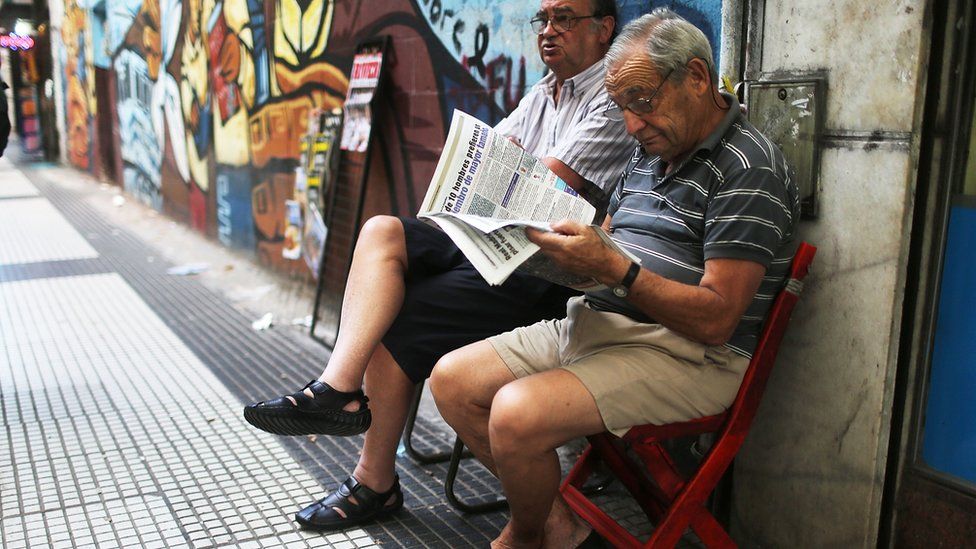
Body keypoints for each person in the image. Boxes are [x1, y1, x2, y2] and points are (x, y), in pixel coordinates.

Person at [242, 0, 635, 531]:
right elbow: (495, 167)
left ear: (603, 28)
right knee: (381, 231)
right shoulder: (544, 92)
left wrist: (508, 168)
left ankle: (373, 481)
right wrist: (504, 168)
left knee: (398, 313)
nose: (548, 32)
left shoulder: (610, 100)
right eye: (541, 20)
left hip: (545, 273)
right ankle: (338, 388)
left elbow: (528, 186)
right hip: (496, 242)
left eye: (564, 19)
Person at [429, 9, 800, 549]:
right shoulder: (649, 153)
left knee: (514, 414)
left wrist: (617, 270)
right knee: (453, 380)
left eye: (643, 102)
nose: (632, 125)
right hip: (600, 323)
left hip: (686, 355)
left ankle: (528, 537)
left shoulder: (749, 167)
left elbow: (718, 318)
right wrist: (562, 253)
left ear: (697, 78)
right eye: (622, 108)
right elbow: (609, 240)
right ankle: (559, 530)